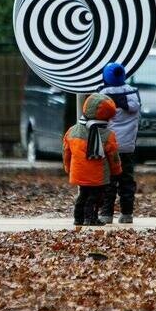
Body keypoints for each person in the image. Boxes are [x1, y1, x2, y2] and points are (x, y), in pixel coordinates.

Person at [63, 93, 123, 226]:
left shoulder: (72, 131)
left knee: (82, 195)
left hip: (79, 172)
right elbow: (113, 156)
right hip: (98, 175)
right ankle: (91, 218)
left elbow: (66, 152)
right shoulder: (107, 135)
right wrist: (116, 170)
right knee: (95, 197)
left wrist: (67, 167)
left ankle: (78, 218)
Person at [97, 63, 141, 224]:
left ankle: (106, 214)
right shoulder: (133, 93)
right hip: (128, 146)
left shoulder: (102, 94)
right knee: (127, 180)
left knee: (109, 180)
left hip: (109, 146)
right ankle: (127, 213)